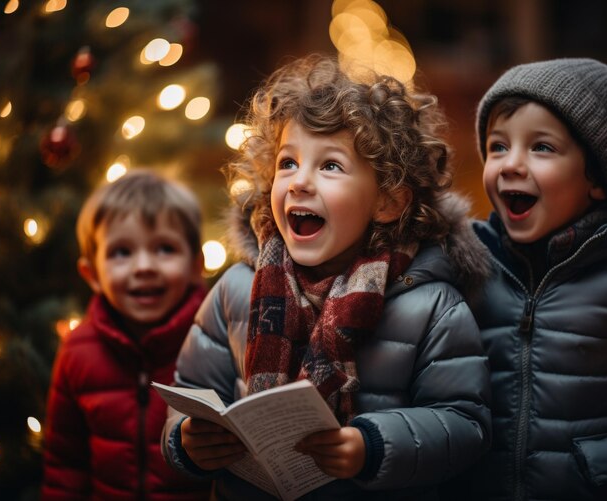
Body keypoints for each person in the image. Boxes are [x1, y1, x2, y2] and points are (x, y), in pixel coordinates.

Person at [162, 54, 491, 500]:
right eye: (287, 163)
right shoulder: (236, 290)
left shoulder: (430, 306)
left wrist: (372, 445)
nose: (299, 182)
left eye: (330, 166)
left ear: (387, 202)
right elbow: (190, 394)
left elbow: (465, 425)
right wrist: (186, 442)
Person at [445, 58, 607, 500]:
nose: (511, 164)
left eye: (541, 148)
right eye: (498, 147)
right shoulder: (469, 264)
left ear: (597, 178)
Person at [41, 170, 211, 500]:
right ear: (91, 274)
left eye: (164, 248)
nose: (144, 266)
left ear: (196, 265)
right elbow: (65, 465)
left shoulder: (217, 341)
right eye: (121, 252)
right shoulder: (77, 351)